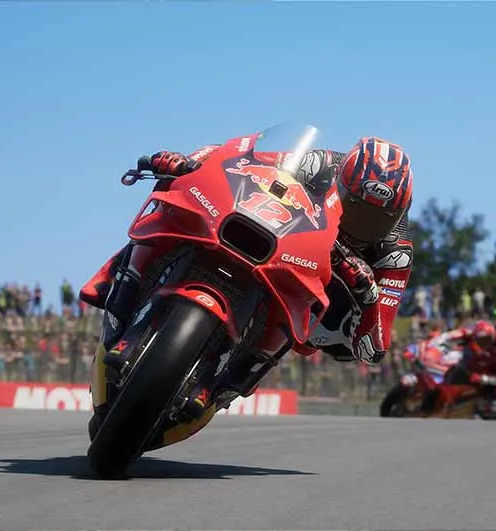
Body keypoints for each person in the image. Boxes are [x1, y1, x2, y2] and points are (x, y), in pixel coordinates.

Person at [80, 136, 414, 430]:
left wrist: (367, 295)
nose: (363, 225)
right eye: (356, 208)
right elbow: (238, 154)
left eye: (378, 219)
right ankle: (119, 281)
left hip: (318, 290)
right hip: (281, 239)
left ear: (398, 215)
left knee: (331, 323)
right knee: (175, 203)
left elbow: (373, 348)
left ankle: (228, 381)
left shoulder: (396, 252)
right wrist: (192, 162)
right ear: (341, 185)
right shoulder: (320, 164)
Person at [425, 320, 496, 416]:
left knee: (494, 406)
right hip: (483, 359)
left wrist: (483, 379)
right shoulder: (480, 335)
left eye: (486, 340)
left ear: (492, 335)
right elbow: (463, 332)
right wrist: (445, 336)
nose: (484, 343)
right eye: (480, 340)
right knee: (456, 370)